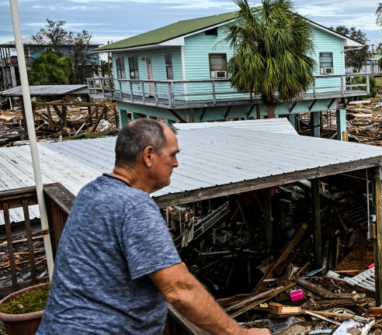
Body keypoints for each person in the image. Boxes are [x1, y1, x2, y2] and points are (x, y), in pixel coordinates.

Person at [38, 118, 270, 335]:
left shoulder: (92, 191)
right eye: (172, 155)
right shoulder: (134, 205)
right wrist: (240, 333)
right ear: (149, 156)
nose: (176, 163)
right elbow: (179, 290)